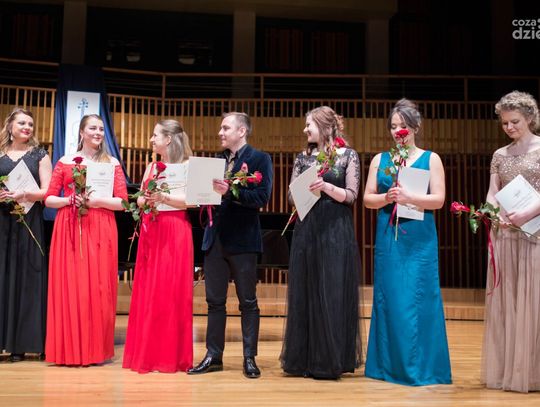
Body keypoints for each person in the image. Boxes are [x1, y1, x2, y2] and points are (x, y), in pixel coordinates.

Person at [363, 99, 451, 386]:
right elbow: (367, 199)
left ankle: (422, 368)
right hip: (389, 236)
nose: (398, 131)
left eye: (403, 126)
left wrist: (410, 197)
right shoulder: (380, 160)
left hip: (419, 237)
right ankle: (387, 366)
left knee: (420, 298)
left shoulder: (431, 158)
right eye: (393, 126)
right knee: (390, 298)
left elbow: (439, 200)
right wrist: (387, 197)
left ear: (416, 127)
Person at [279, 106, 363, 380]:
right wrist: (304, 188)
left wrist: (326, 187)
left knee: (331, 291)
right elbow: (291, 197)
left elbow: (351, 196)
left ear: (325, 127)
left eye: (309, 125)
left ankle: (329, 360)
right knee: (305, 291)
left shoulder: (348, 155)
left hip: (335, 230)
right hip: (307, 229)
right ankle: (302, 359)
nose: (304, 130)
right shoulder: (302, 158)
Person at [188, 112, 273, 379]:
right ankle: (213, 356)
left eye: (225, 128)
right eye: (221, 128)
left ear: (242, 131)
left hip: (243, 239)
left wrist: (231, 193)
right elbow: (204, 197)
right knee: (214, 302)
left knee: (248, 301)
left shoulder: (260, 159)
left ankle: (249, 358)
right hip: (214, 239)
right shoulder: (215, 161)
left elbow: (262, 197)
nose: (220, 133)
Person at [44, 114, 127, 366]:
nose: (98, 132)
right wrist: (68, 200)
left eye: (101, 128)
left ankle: (95, 351)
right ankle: (69, 350)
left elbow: (123, 202)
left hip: (102, 227)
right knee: (72, 287)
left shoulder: (111, 163)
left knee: (99, 289)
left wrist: (96, 201)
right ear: (81, 132)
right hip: (69, 227)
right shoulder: (65, 161)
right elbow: (49, 199)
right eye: (92, 128)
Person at [123, 119, 194, 374]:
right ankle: (148, 354)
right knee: (150, 291)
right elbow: (140, 199)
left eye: (155, 135)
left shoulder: (188, 166)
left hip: (175, 229)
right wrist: (146, 200)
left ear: (169, 139)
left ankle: (170, 356)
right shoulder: (151, 167)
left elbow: (193, 202)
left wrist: (163, 197)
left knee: (172, 291)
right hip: (152, 230)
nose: (151, 140)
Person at [482, 90, 540, 393]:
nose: (509, 127)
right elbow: (493, 193)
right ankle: (512, 370)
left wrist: (527, 213)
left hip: (535, 233)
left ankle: (533, 371)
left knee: (533, 301)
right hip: (506, 234)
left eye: (514, 121)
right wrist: (492, 213)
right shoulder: (499, 154)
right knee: (511, 302)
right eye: (504, 123)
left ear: (529, 117)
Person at [0, 108, 52, 362]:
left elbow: (47, 191)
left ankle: (22, 344)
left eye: (30, 124)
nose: (27, 127)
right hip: (2, 222)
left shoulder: (40, 154)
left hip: (29, 222)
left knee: (28, 279)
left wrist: (24, 195)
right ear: (10, 125)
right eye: (22, 123)